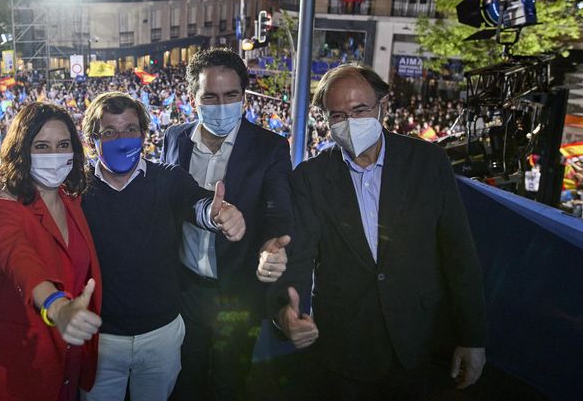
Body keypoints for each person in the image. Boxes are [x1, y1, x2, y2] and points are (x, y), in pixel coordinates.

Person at [270, 63, 487, 399]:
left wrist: (472, 337)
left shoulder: (427, 162)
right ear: (326, 121)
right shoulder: (309, 179)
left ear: (382, 107)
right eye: (337, 116)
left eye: (360, 110)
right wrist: (289, 312)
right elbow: (299, 257)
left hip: (418, 339)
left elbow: (459, 252)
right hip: (345, 346)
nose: (350, 122)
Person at [79, 92, 247, 401]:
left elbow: (196, 202)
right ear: (93, 139)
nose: (121, 139)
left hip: (161, 334)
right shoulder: (77, 189)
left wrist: (217, 214)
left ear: (144, 134)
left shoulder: (167, 179)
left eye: (130, 129)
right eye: (109, 132)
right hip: (100, 338)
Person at [162, 48, 292, 400]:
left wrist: (270, 244)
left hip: (236, 294)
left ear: (244, 97)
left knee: (228, 383)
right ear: (194, 98)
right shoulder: (174, 139)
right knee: (182, 381)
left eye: (230, 95)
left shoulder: (270, 147)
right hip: (184, 291)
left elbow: (278, 213)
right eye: (210, 96)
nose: (221, 105)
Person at [0, 102, 103, 400]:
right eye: (42, 146)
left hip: (67, 362)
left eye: (63, 144)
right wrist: (55, 305)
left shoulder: (71, 200)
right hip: (12, 368)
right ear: (22, 151)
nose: (54, 155)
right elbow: (20, 261)